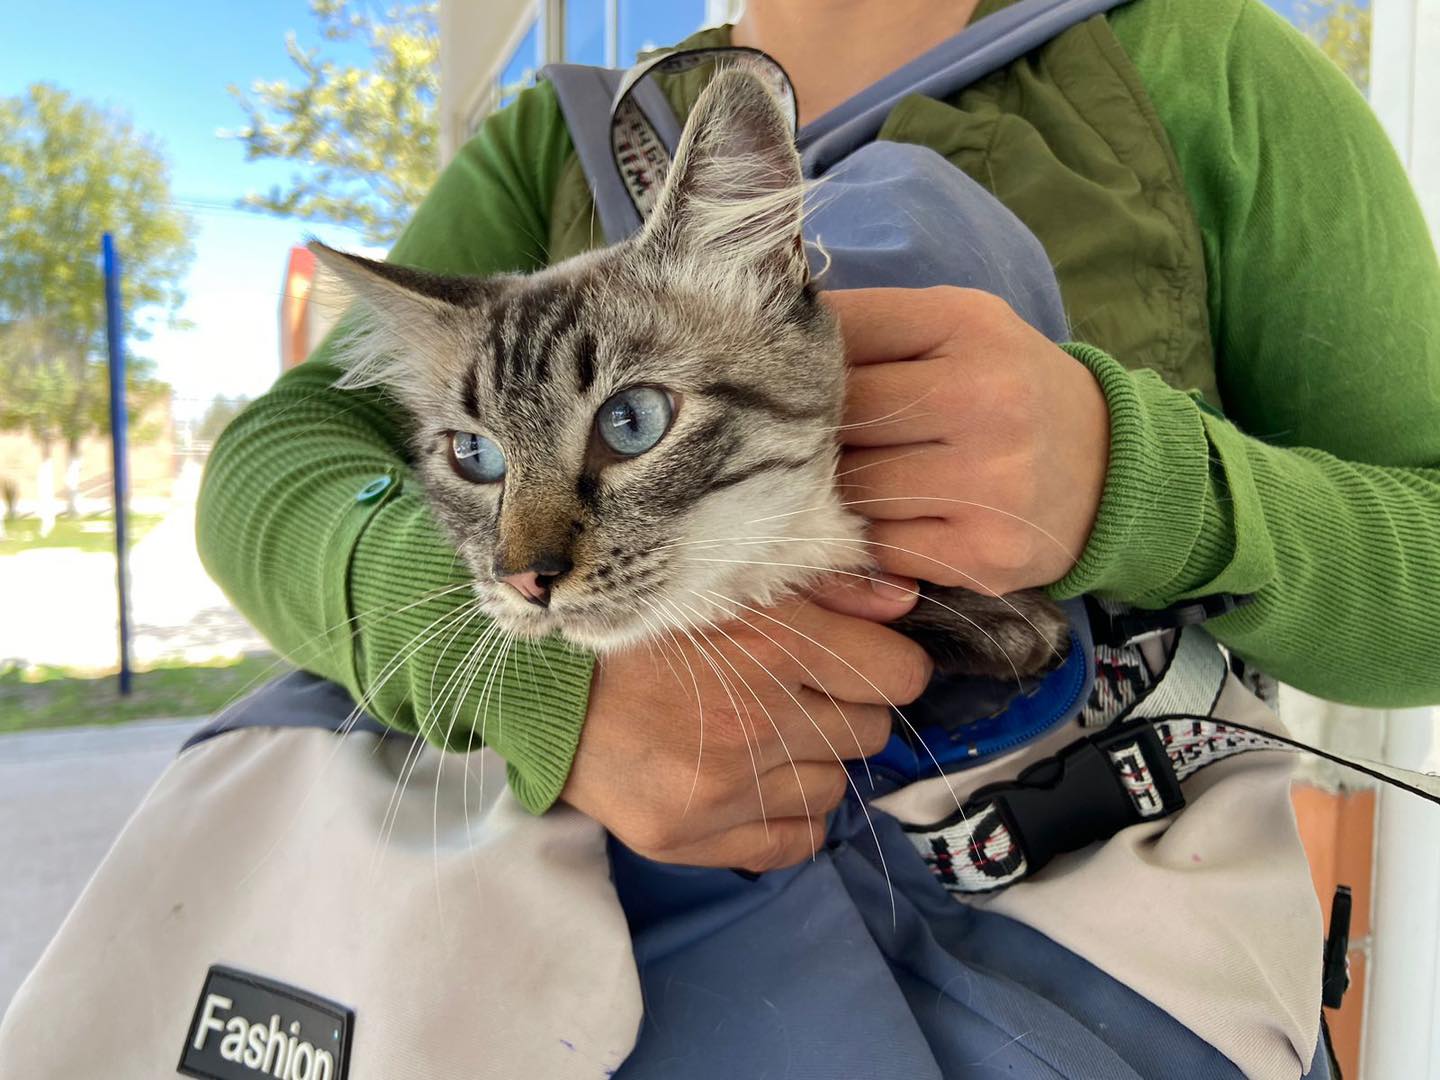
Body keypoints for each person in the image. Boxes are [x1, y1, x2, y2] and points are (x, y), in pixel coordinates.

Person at [196, 0, 1440, 1072]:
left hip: (1080, 954)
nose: (543, 545)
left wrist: (1144, 476)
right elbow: (273, 463)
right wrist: (546, 696)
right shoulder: (549, 139)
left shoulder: (1205, 63)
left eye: (626, 420)